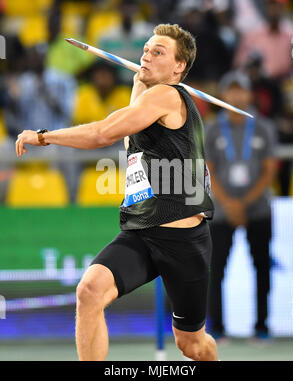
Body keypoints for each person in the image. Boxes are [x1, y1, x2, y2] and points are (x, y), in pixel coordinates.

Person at [15, 24, 218, 361]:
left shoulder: (168, 95)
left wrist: (43, 136)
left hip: (183, 241)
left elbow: (102, 133)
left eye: (158, 52)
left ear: (179, 67)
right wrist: (138, 85)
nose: (146, 55)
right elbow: (130, 143)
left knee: (191, 345)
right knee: (90, 291)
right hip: (143, 232)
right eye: (146, 49)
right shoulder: (151, 99)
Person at [205, 71, 277, 340]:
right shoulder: (212, 127)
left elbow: (270, 170)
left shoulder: (264, 127)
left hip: (258, 209)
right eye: (231, 90)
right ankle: (218, 328)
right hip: (222, 210)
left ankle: (262, 327)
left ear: (249, 95)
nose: (236, 95)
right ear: (223, 95)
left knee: (262, 267)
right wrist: (229, 204)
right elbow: (208, 170)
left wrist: (245, 203)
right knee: (216, 269)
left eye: (241, 90)